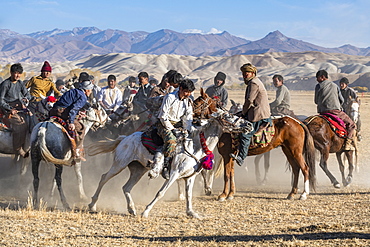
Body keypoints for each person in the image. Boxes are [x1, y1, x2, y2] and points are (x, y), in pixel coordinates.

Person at [230, 63, 272, 166]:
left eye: (247, 73)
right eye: (243, 73)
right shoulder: (254, 82)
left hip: (259, 114)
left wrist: (243, 113)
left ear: (252, 73)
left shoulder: (253, 83)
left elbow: (249, 100)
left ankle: (241, 157)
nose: (245, 75)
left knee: (245, 132)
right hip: (257, 111)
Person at [154, 78, 195, 179]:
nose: (188, 94)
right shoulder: (169, 97)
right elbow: (163, 116)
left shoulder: (188, 101)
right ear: (180, 89)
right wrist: (172, 129)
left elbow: (188, 118)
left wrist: (187, 130)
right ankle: (165, 166)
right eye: (186, 91)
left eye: (189, 92)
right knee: (171, 140)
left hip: (178, 125)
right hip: (164, 124)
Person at [49, 80, 94, 161]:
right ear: (87, 90)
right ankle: (77, 151)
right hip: (62, 113)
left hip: (54, 111)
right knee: (81, 129)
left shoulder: (72, 91)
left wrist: (78, 112)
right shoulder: (83, 97)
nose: (90, 93)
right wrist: (71, 122)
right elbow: (73, 109)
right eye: (90, 91)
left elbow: (67, 104)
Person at [314, 70, 356, 150]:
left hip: (322, 112)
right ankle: (347, 143)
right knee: (351, 124)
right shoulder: (335, 86)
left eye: (317, 78)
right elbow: (342, 100)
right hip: (335, 111)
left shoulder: (318, 86)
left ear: (322, 77)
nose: (317, 80)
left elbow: (316, 101)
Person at [0, 63, 33, 157]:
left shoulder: (20, 83)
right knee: (21, 124)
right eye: (15, 73)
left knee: (32, 118)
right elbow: (1, 100)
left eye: (19, 73)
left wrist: (27, 98)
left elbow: (27, 94)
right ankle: (18, 148)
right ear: (11, 73)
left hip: (19, 108)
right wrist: (10, 109)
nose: (17, 75)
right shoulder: (6, 84)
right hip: (7, 109)